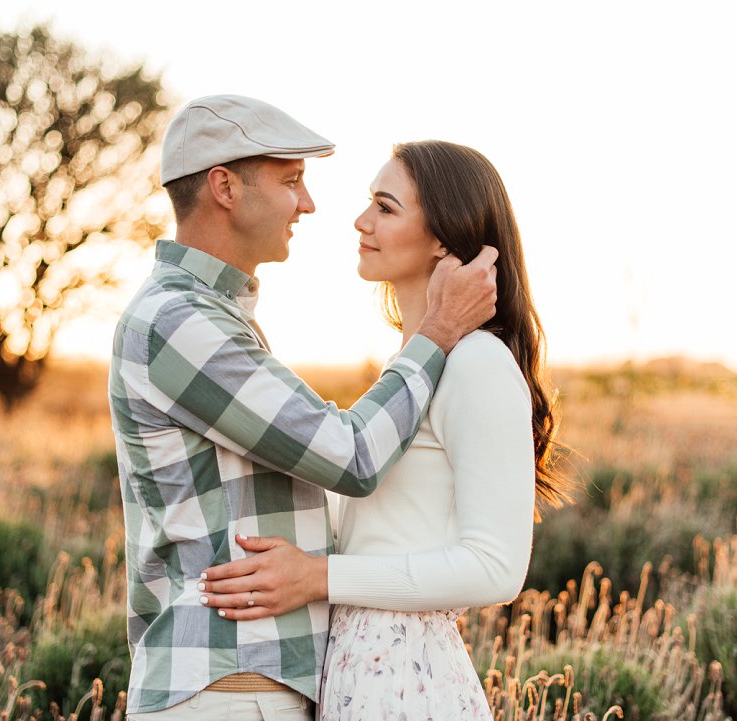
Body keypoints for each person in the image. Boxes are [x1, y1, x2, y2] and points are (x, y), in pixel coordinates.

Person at [108, 96, 499, 721]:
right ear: (224, 187)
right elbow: (350, 454)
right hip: (229, 689)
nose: (310, 204)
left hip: (242, 688)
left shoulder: (208, 318)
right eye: (291, 181)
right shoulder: (179, 322)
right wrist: (437, 332)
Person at [198, 140, 572, 720]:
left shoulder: (478, 364)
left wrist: (318, 577)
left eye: (386, 207)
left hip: (408, 680)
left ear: (445, 237)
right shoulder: (413, 369)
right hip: (354, 669)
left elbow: (496, 567)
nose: (360, 220)